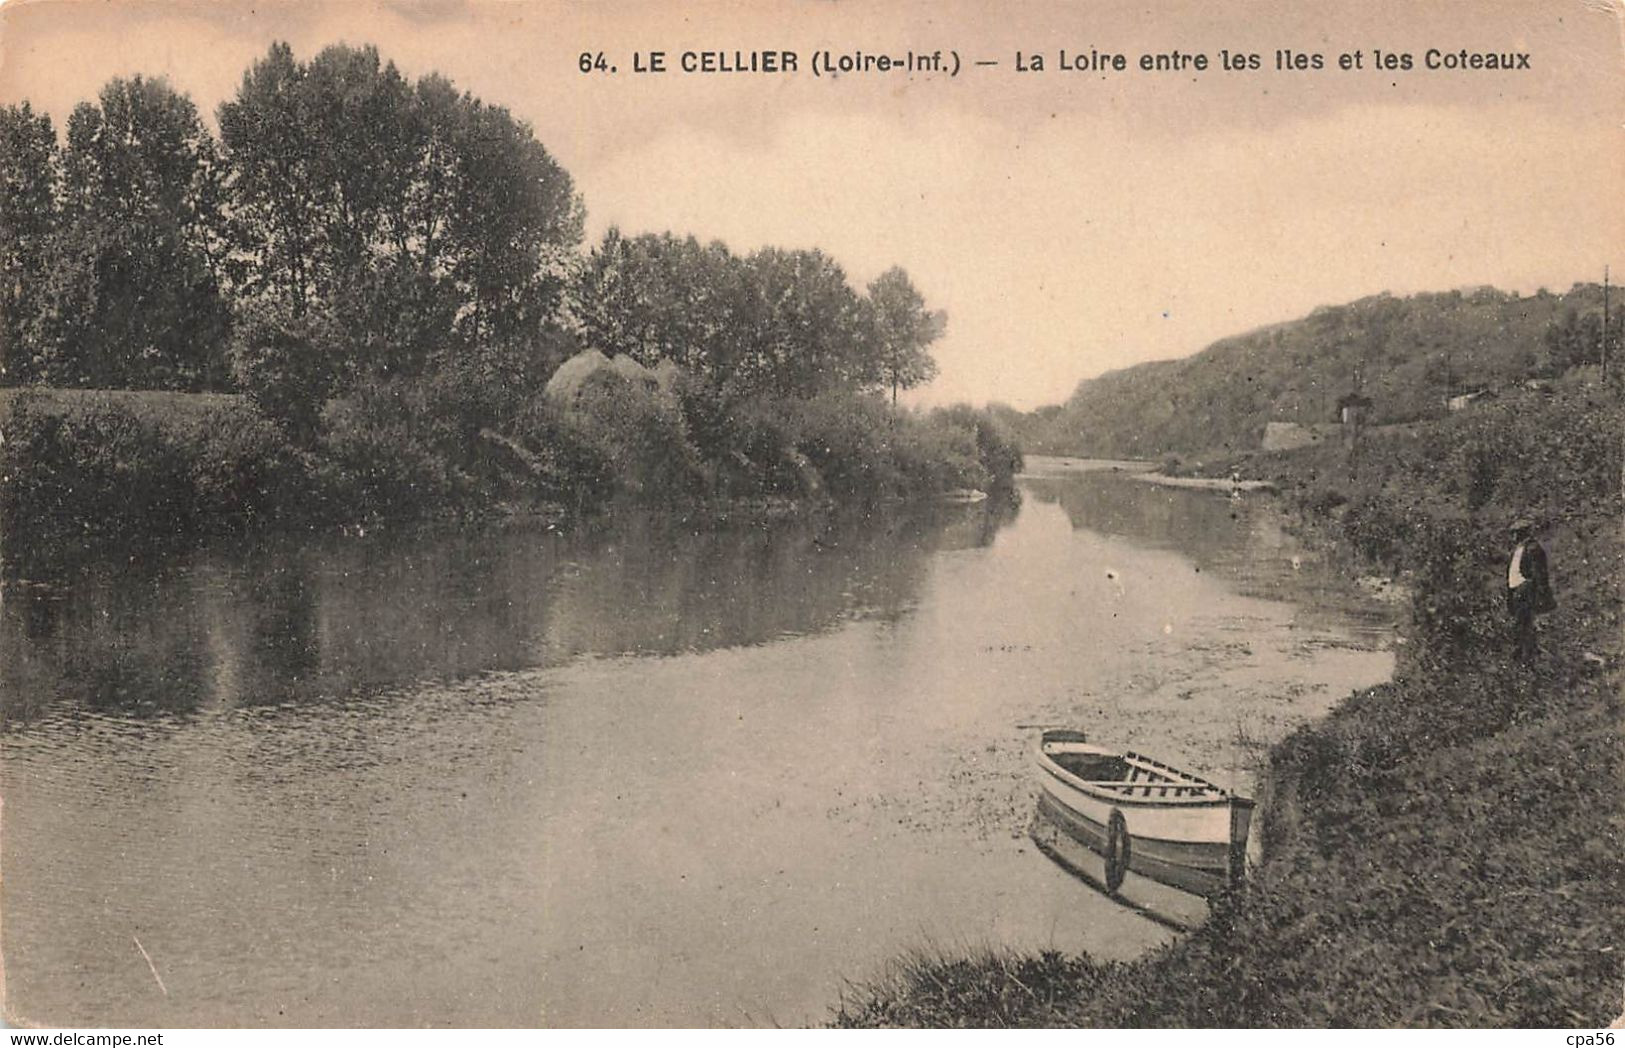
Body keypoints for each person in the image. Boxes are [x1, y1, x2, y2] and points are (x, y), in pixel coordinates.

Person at [1505, 518, 1556, 662]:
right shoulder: (1518, 550)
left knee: (1525, 624)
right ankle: (1524, 654)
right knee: (1521, 624)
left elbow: (1539, 574)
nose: (1513, 537)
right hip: (1517, 591)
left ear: (1522, 534)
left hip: (1525, 590)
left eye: (1515, 533)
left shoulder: (1532, 549)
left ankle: (1527, 657)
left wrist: (1540, 594)